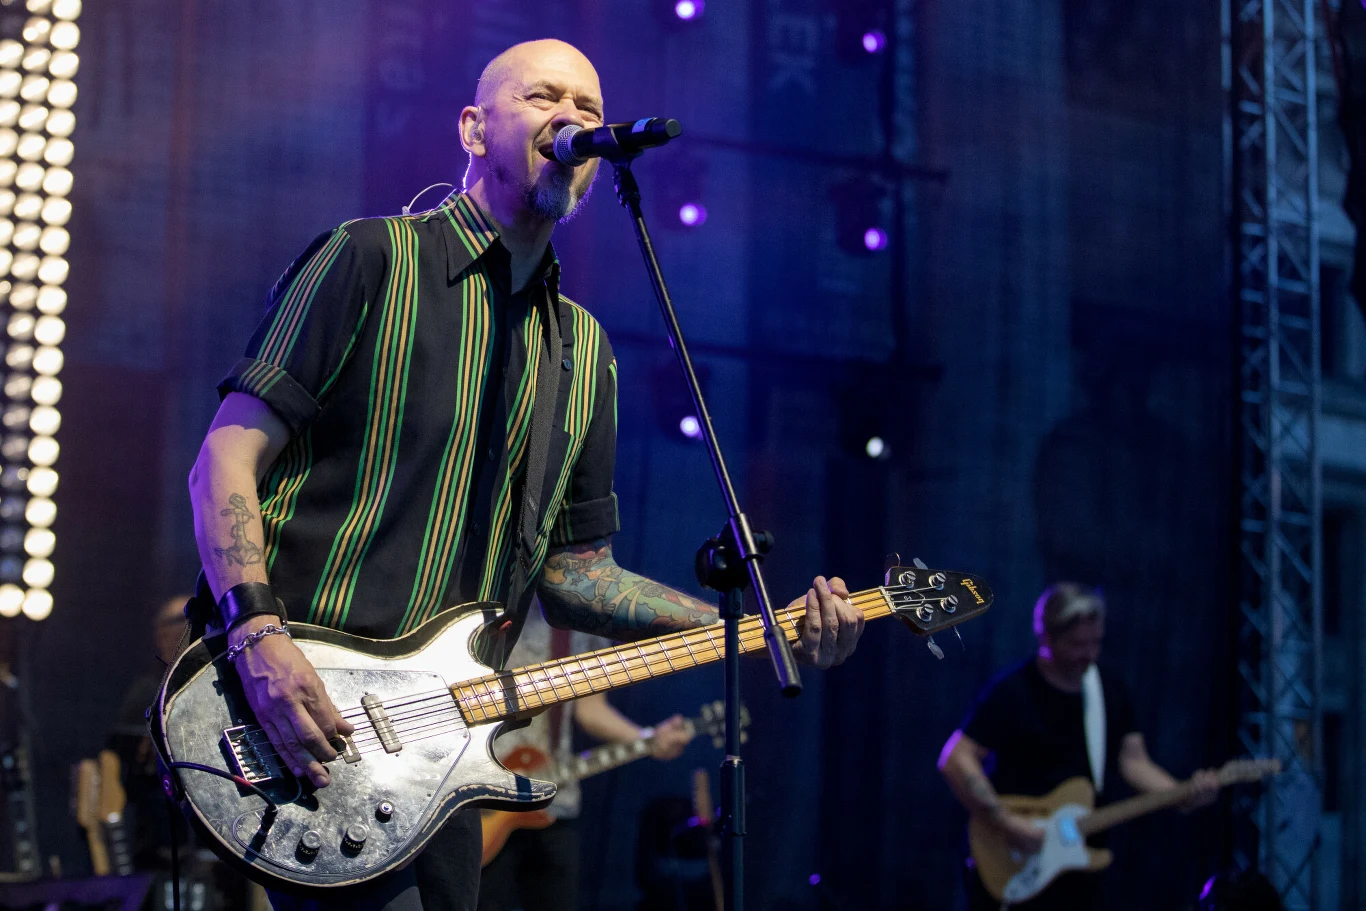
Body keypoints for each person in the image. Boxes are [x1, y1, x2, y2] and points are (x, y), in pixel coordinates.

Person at [186, 38, 864, 911]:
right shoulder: (370, 259)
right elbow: (225, 458)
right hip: (302, 703)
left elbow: (578, 576)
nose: (573, 118)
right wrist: (258, 637)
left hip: (436, 746)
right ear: (474, 128)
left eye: (589, 107)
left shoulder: (582, 351)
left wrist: (756, 624)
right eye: (544, 96)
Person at [938, 583, 1220, 910]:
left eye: (1095, 643)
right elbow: (956, 758)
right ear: (1047, 637)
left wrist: (1181, 794)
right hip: (1014, 855)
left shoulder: (1108, 690)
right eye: (1077, 644)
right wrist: (1006, 822)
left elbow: (1134, 762)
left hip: (1076, 863)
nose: (1088, 654)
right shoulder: (1013, 691)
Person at [476, 604, 693, 911]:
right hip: (482, 797)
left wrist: (648, 739)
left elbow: (590, 709)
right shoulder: (494, 602)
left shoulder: (585, 617)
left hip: (555, 797)